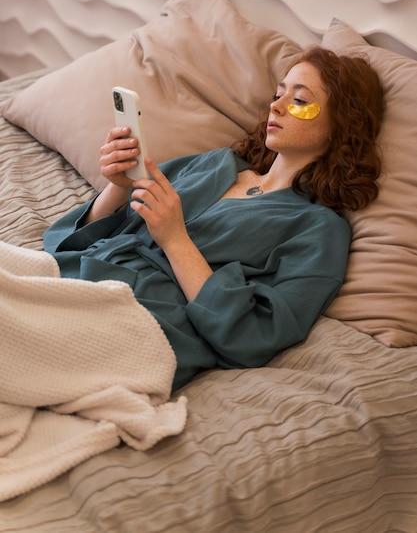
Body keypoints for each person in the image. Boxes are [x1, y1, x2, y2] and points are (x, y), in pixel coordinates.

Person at [44, 46, 384, 391]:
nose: (275, 106)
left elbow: (255, 336)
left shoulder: (319, 228)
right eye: (278, 94)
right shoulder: (217, 163)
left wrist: (176, 240)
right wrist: (117, 188)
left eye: (299, 101)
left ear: (341, 123)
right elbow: (63, 243)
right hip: (73, 277)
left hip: (139, 320)